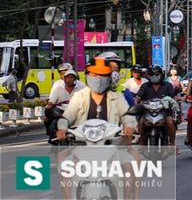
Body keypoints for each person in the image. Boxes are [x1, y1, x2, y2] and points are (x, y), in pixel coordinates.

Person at [56, 58, 137, 199]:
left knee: (130, 166)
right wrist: (62, 128)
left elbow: (127, 115)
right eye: (94, 74)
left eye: (103, 75)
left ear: (108, 77)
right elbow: (67, 115)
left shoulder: (117, 97)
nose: (98, 78)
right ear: (87, 75)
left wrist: (129, 126)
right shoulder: (79, 96)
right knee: (63, 164)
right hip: (83, 147)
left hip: (112, 146)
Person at [135, 65, 180, 154]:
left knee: (170, 122)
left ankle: (173, 144)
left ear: (161, 75)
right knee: (140, 122)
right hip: (148, 111)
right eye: (152, 74)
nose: (154, 76)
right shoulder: (145, 86)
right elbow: (137, 97)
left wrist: (174, 101)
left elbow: (174, 95)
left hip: (164, 110)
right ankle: (141, 144)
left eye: (156, 74)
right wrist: (136, 103)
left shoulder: (167, 85)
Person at [45, 69, 84, 137]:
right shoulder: (58, 89)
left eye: (72, 77)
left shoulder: (80, 90)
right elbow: (51, 102)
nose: (70, 79)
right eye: (68, 77)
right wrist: (48, 109)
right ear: (64, 79)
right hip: (60, 113)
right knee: (51, 124)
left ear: (75, 79)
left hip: (75, 113)